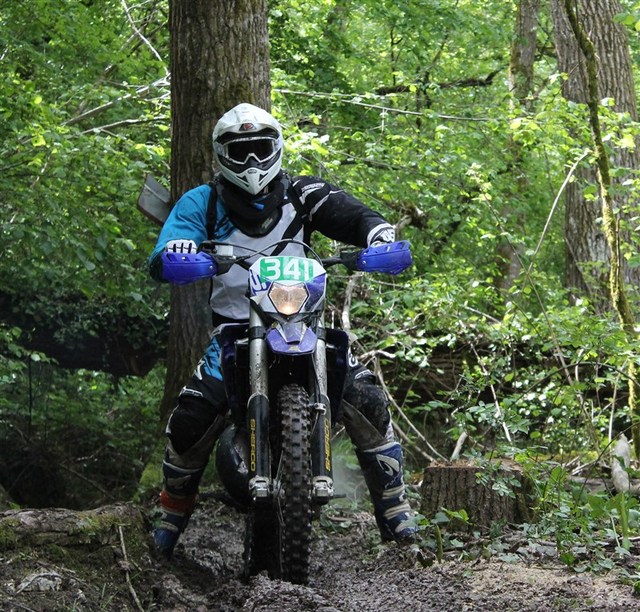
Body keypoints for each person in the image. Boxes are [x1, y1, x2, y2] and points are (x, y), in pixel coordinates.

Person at [148, 102, 417, 557]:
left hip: (303, 323)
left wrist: (377, 235)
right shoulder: (203, 201)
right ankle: (171, 515)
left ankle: (395, 511)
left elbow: (351, 213)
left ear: (276, 149)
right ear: (222, 155)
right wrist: (178, 250)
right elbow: (167, 250)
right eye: (241, 151)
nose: (252, 162)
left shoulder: (303, 192)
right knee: (191, 418)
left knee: (367, 398)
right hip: (235, 330)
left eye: (260, 149)